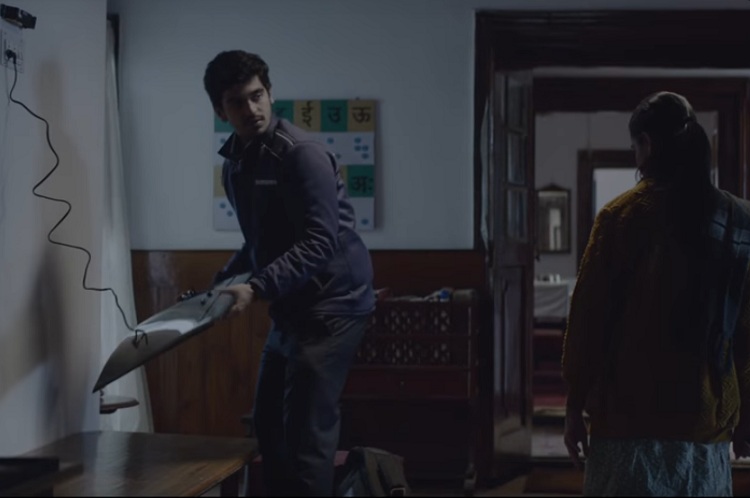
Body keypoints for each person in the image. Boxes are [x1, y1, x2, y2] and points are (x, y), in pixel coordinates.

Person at [202, 50, 375, 496]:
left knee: (304, 438)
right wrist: (223, 280)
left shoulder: (301, 154)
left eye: (257, 95)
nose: (251, 109)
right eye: (237, 102)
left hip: (334, 306)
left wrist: (255, 287)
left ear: (270, 93)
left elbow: (320, 241)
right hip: (291, 306)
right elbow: (260, 241)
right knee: (268, 426)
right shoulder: (236, 164)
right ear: (220, 110)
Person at [562, 91, 750, 496]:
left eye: (635, 148)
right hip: (705, 425)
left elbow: (587, 324)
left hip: (628, 423)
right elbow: (745, 331)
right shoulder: (738, 219)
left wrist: (574, 405)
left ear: (646, 143)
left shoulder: (619, 218)